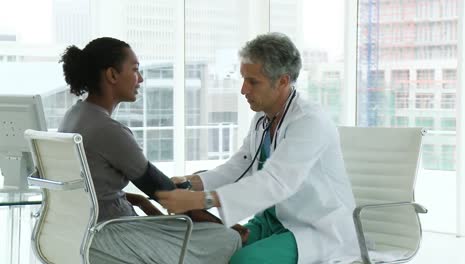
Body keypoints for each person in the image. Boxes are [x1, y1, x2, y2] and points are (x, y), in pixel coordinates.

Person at [156, 32, 359, 263]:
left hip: (316, 228)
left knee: (245, 261)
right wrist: (191, 182)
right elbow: (239, 165)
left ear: (283, 81)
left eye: (253, 82)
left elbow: (276, 181)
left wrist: (200, 200)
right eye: (243, 79)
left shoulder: (310, 121)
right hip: (271, 221)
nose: (243, 90)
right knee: (213, 249)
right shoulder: (264, 118)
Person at [58, 37, 241, 264]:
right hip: (111, 237)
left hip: (83, 232)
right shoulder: (108, 130)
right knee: (226, 238)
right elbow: (164, 193)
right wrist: (228, 225)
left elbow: (94, 188)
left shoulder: (74, 116)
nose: (141, 79)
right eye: (135, 70)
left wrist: (143, 203)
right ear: (112, 75)